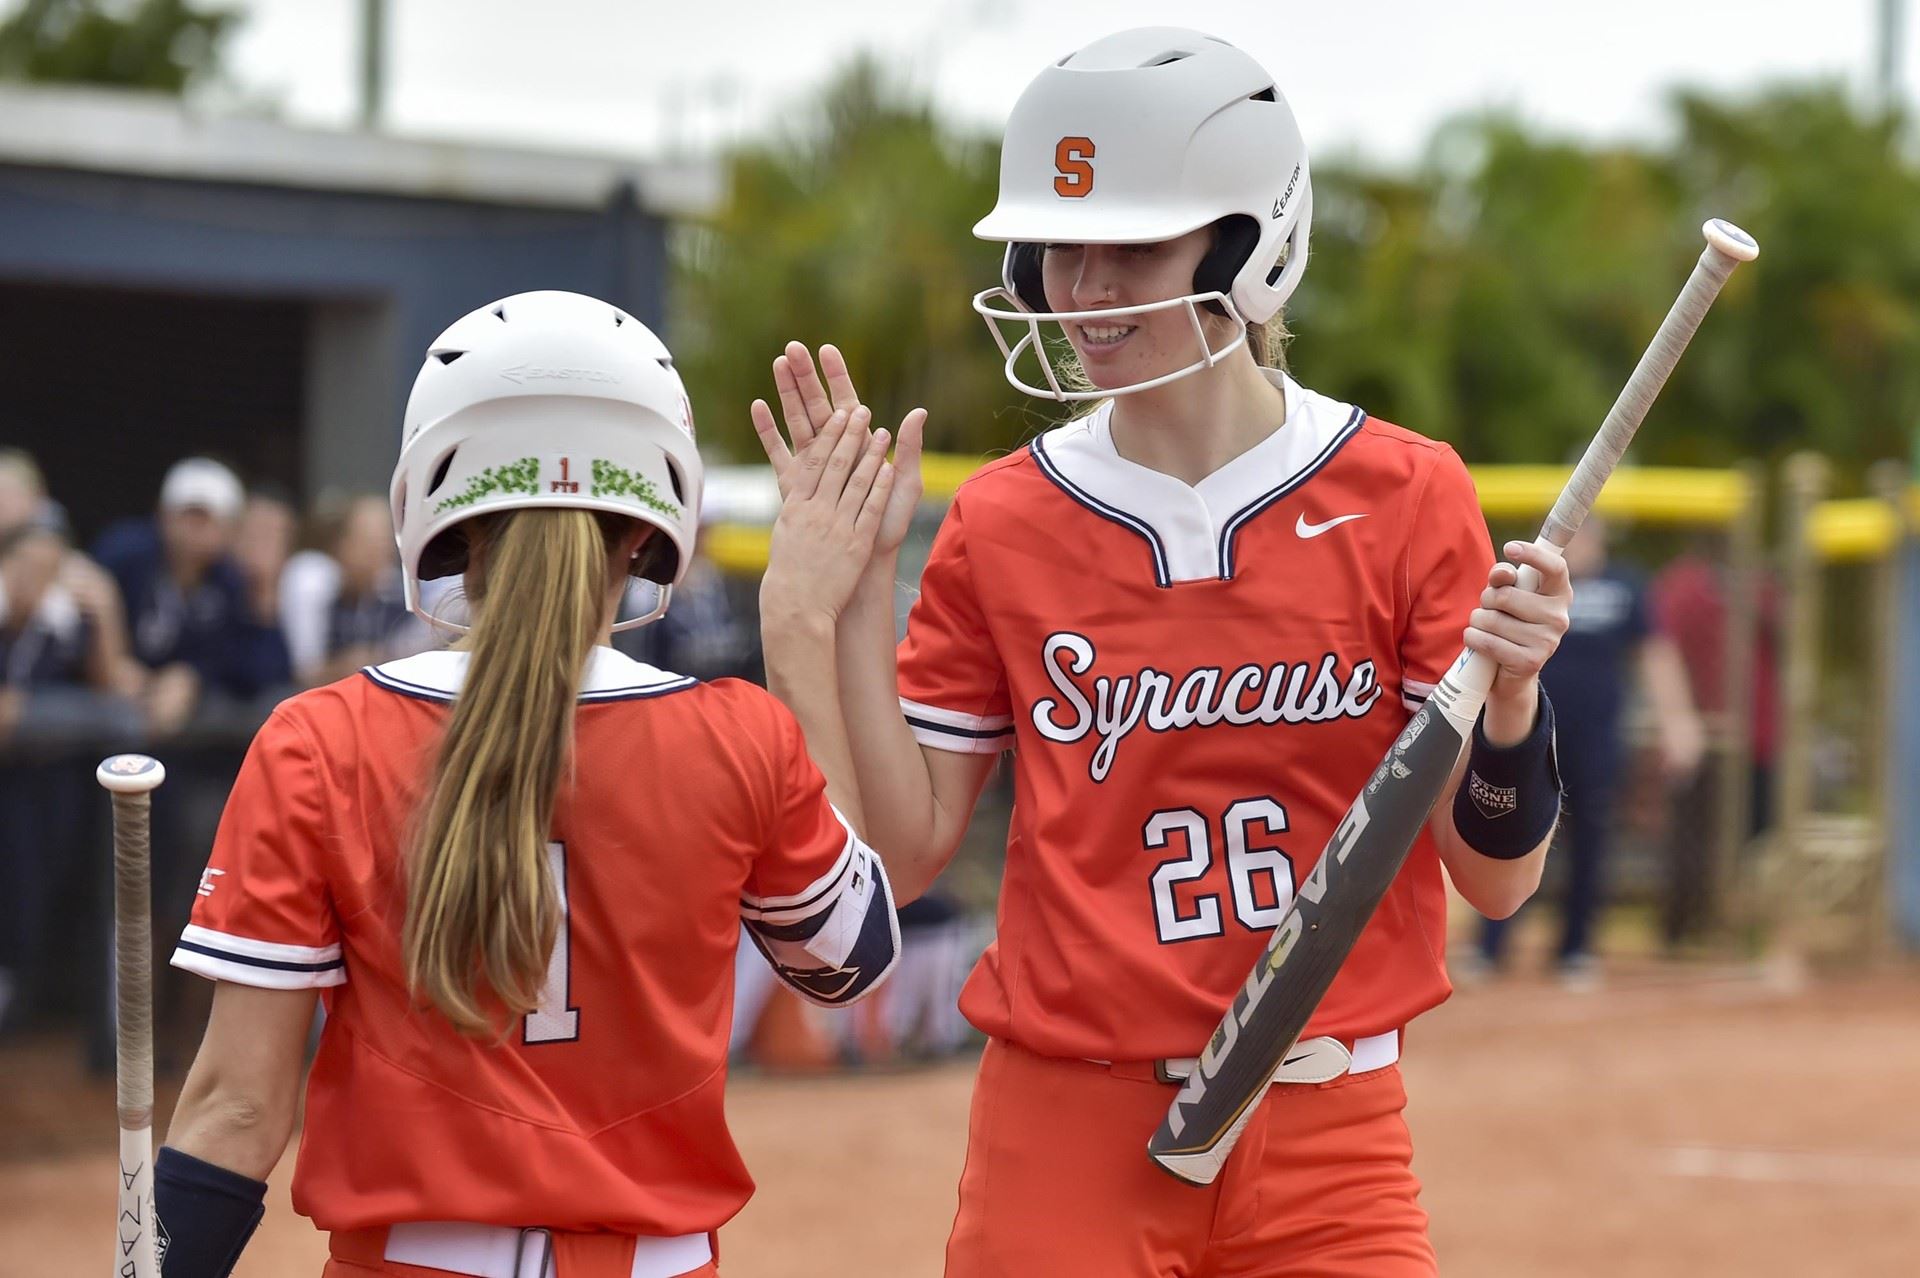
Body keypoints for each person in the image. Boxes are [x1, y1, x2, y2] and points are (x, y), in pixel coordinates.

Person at [752, 28, 1572, 1276]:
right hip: (1067, 1127)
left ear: (1251, 247)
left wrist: (1511, 698)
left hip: (1328, 1130)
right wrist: (842, 610)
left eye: (1128, 245)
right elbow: (909, 851)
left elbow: (1497, 885)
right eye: (1057, 248)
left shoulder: (1408, 495)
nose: (1081, 290)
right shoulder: (1003, 520)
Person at [155, 291, 902, 1278]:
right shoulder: (737, 734)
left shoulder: (320, 739)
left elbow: (239, 1111)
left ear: (435, 506)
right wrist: (803, 625)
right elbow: (848, 958)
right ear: (653, 526)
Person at [1473, 515, 1704, 987]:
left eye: (1585, 538)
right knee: (1509, 832)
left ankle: (1576, 949)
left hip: (1596, 737)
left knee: (1591, 844)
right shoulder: (1528, 586)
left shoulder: (1626, 586)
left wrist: (1677, 720)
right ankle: (1490, 948)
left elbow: (1656, 655)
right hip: (1528, 733)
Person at [93, 457, 293, 734]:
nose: (193, 529)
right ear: (163, 515)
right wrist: (107, 660)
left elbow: (258, 674)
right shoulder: (124, 553)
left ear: (229, 529)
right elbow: (80, 609)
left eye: (206, 518)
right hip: (107, 712)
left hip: (184, 742)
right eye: (186, 514)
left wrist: (194, 678)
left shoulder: (231, 581)